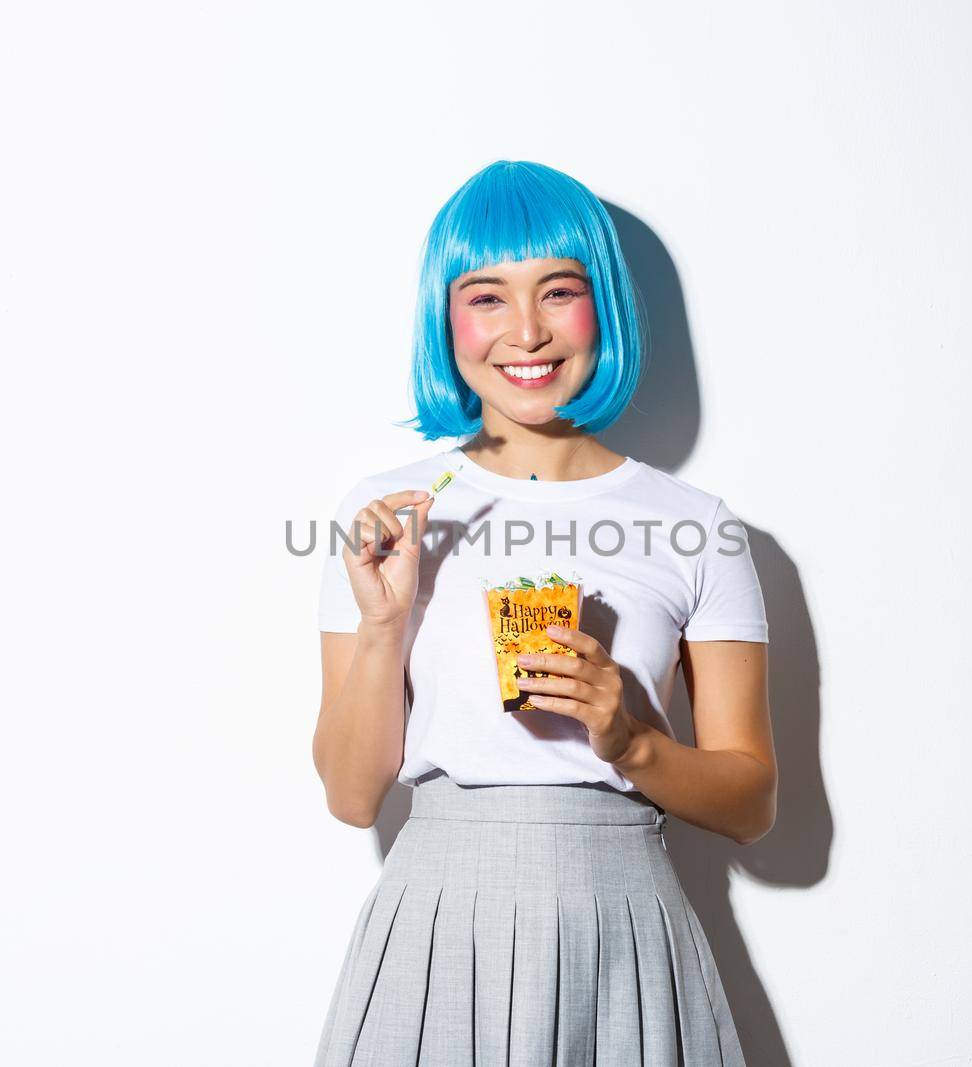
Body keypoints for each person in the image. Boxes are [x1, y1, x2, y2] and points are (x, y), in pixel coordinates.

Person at [311, 160, 773, 1066]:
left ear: (603, 305)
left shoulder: (697, 527)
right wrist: (380, 627)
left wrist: (633, 738)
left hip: (625, 920)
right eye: (486, 296)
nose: (525, 330)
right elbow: (351, 793)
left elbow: (752, 801)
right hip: (437, 920)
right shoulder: (388, 514)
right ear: (446, 322)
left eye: (558, 292)